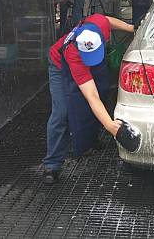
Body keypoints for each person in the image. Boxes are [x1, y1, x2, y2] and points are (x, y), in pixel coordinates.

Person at [43, 13, 134, 184]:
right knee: (62, 113)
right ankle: (52, 163)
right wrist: (110, 126)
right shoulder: (74, 55)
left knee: (103, 91)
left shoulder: (99, 24)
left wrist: (131, 28)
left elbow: (108, 21)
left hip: (85, 58)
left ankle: (89, 140)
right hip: (60, 65)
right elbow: (91, 97)